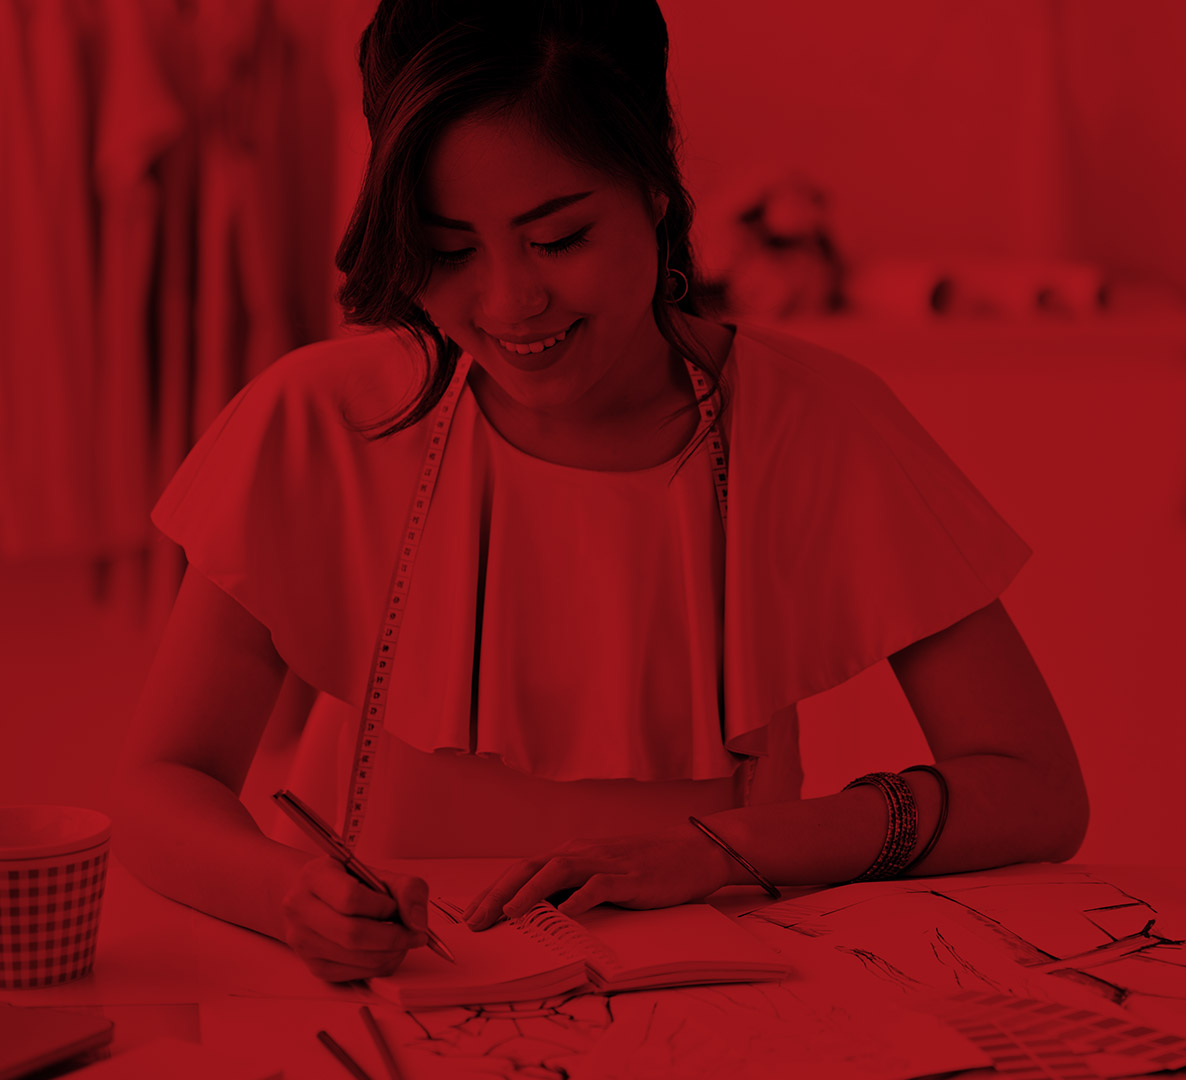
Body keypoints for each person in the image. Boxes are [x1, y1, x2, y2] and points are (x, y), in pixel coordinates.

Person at [113, 0, 1087, 986]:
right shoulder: (319, 422)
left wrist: (723, 850)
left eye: (559, 238)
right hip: (397, 1000)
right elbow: (162, 785)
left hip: (722, 1012)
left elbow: (1036, 790)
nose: (510, 302)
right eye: (449, 251)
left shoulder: (815, 423)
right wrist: (286, 893)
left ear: (655, 186)